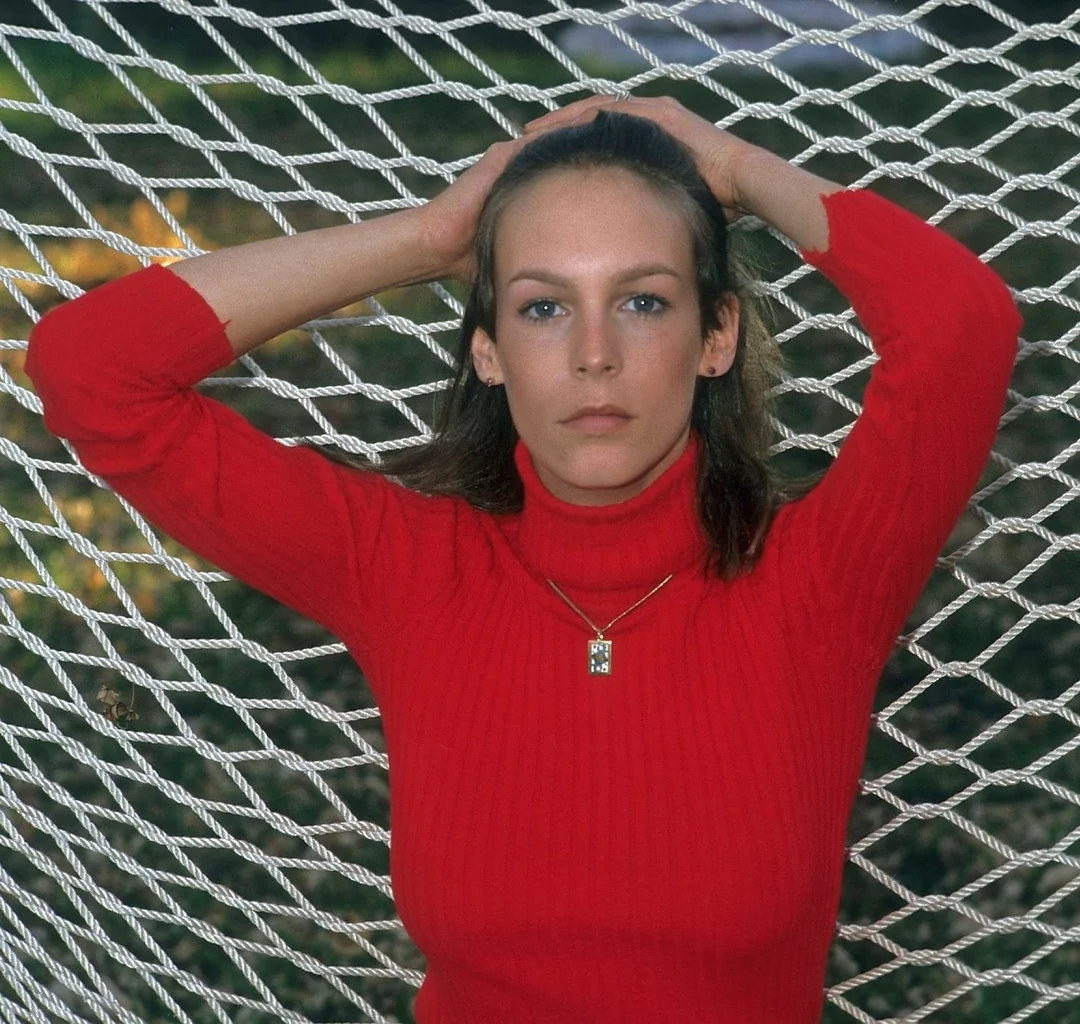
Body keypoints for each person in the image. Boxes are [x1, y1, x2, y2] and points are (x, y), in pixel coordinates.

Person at [25, 95, 1021, 1022]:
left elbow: (962, 325)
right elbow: (90, 372)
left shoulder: (819, 585)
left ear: (716, 336)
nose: (594, 354)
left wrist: (733, 165)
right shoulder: (406, 572)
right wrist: (426, 240)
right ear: (488, 351)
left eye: (644, 302)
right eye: (543, 308)